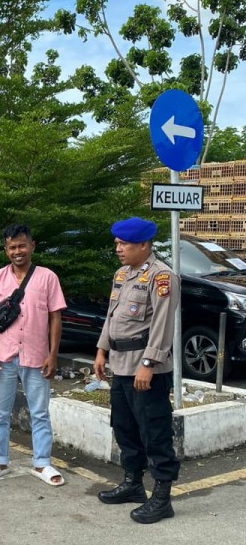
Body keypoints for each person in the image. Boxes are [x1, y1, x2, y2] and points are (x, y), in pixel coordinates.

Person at [94, 217, 181, 524]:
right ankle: (133, 483)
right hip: (120, 364)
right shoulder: (123, 274)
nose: (118, 249)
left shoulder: (162, 276)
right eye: (117, 243)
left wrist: (149, 364)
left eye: (124, 244)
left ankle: (162, 497)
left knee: (154, 431)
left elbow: (162, 325)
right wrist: (101, 350)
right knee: (124, 426)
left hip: (146, 371)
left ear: (143, 245)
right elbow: (112, 316)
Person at [0, 224, 67, 486]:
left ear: (32, 246)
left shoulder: (47, 277)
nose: (18, 251)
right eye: (12, 247)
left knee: (40, 412)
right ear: (6, 249)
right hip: (4, 355)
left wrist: (53, 354)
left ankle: (42, 463)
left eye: (22, 245)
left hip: (37, 356)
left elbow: (55, 317)